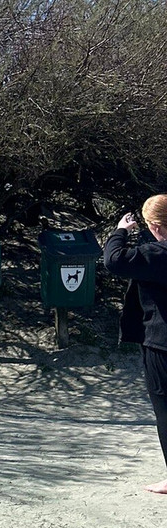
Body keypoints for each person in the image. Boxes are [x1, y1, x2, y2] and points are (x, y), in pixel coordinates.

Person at [103, 195, 167, 494]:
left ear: (156, 226)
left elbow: (113, 260)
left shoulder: (157, 254)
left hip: (161, 343)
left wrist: (121, 230)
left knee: (164, 408)